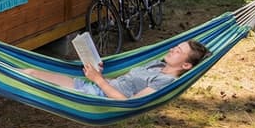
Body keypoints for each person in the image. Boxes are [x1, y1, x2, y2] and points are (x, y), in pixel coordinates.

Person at [24, 40, 209, 99]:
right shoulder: (158, 65)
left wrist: (98, 80)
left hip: (95, 97)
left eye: (178, 51)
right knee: (30, 72)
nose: (172, 49)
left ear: (186, 65)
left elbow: (128, 102)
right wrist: (100, 73)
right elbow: (125, 81)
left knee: (31, 76)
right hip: (95, 87)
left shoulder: (165, 81)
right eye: (175, 47)